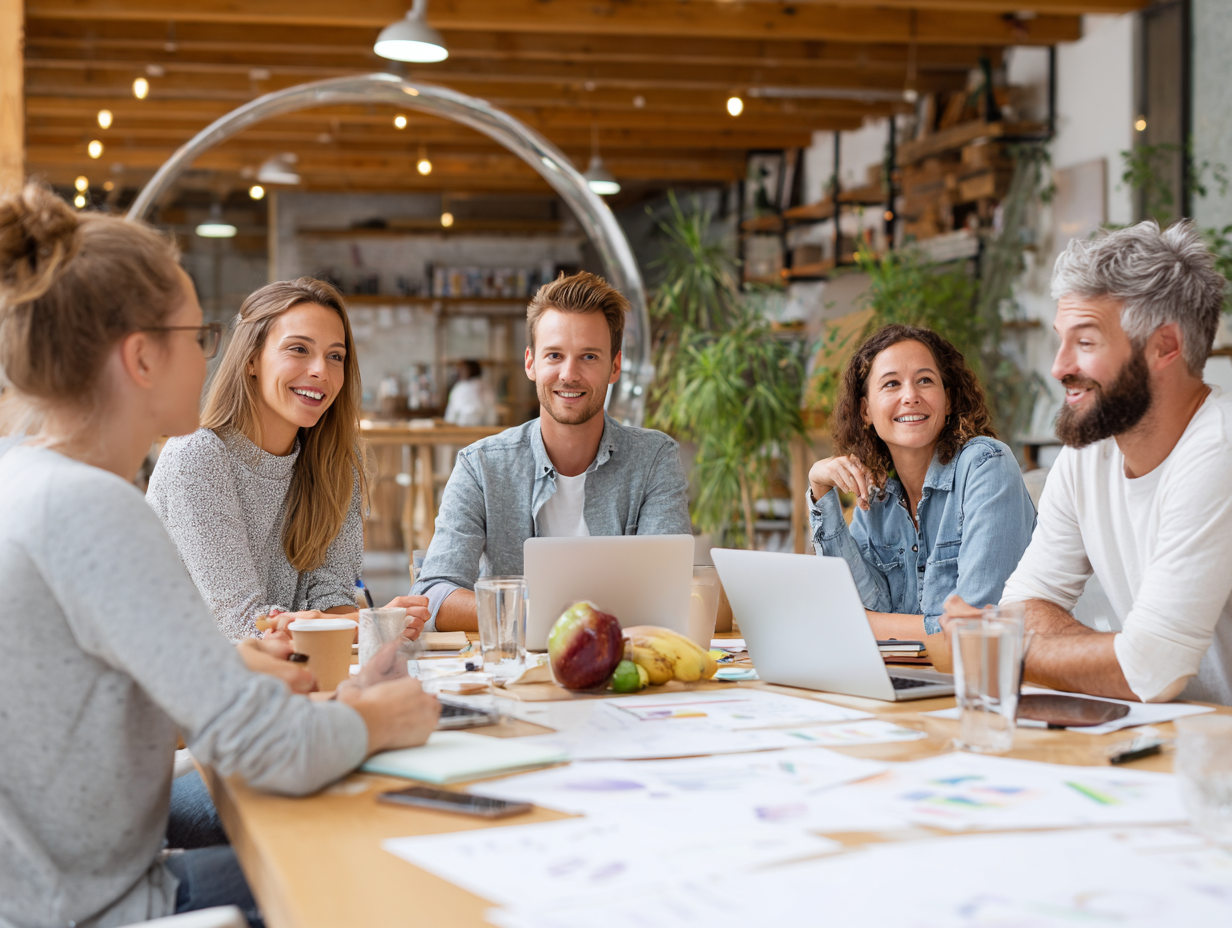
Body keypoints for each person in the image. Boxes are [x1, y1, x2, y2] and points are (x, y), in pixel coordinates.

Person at [0, 183, 440, 928]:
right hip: (104, 903)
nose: (210, 354)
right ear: (141, 357)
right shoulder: (90, 508)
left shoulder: (31, 478)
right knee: (391, 859)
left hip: (71, 876)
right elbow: (269, 747)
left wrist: (238, 667)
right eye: (195, 335)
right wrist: (379, 717)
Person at [943, 220, 1232, 705]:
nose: (1058, 367)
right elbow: (1024, 601)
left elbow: (1149, 670)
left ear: (1165, 347)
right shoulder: (1089, 452)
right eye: (1061, 339)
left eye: (1086, 341)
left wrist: (1002, 647)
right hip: (1177, 738)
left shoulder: (1218, 450)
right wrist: (1022, 636)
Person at [147, 278, 427, 643]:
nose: (321, 372)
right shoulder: (196, 456)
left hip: (284, 672)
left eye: (335, 356)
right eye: (298, 349)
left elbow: (331, 601)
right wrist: (373, 625)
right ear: (251, 360)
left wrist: (380, 623)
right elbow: (244, 626)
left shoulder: (336, 465)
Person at [413, 271, 691, 632]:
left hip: (621, 674)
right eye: (555, 355)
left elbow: (667, 591)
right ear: (531, 363)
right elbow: (433, 595)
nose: (569, 374)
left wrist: (518, 612)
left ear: (615, 366)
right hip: (514, 674)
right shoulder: (480, 466)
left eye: (589, 356)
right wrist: (544, 618)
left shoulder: (654, 459)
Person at [807, 324, 1036, 643]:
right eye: (891, 384)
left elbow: (974, 627)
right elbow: (856, 601)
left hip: (992, 681)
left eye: (925, 380)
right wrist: (820, 490)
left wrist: (864, 625)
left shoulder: (986, 464)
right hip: (912, 676)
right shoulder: (877, 496)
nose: (911, 396)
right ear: (866, 411)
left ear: (949, 399)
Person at [444, 359, 498, 427]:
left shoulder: (462, 387)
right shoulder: (485, 386)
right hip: (482, 428)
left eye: (462, 369)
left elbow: (453, 412)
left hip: (464, 427)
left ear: (472, 370)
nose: (459, 372)